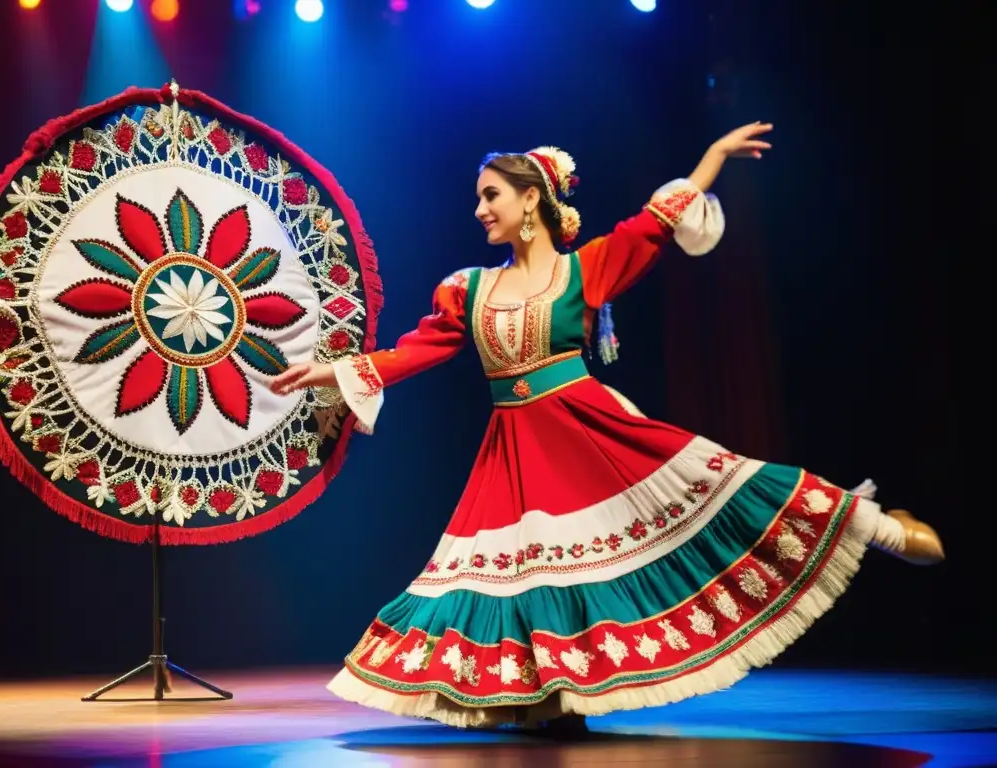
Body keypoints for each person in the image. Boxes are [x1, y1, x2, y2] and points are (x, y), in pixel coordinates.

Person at [269, 122, 944, 731]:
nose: (479, 210)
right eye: (479, 198)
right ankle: (548, 696)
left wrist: (710, 156)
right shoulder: (468, 289)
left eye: (491, 195)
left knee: (731, 486)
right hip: (512, 449)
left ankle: (876, 526)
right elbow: (414, 351)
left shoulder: (581, 270)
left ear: (529, 199)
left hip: (588, 431)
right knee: (527, 576)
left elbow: (652, 224)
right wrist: (328, 372)